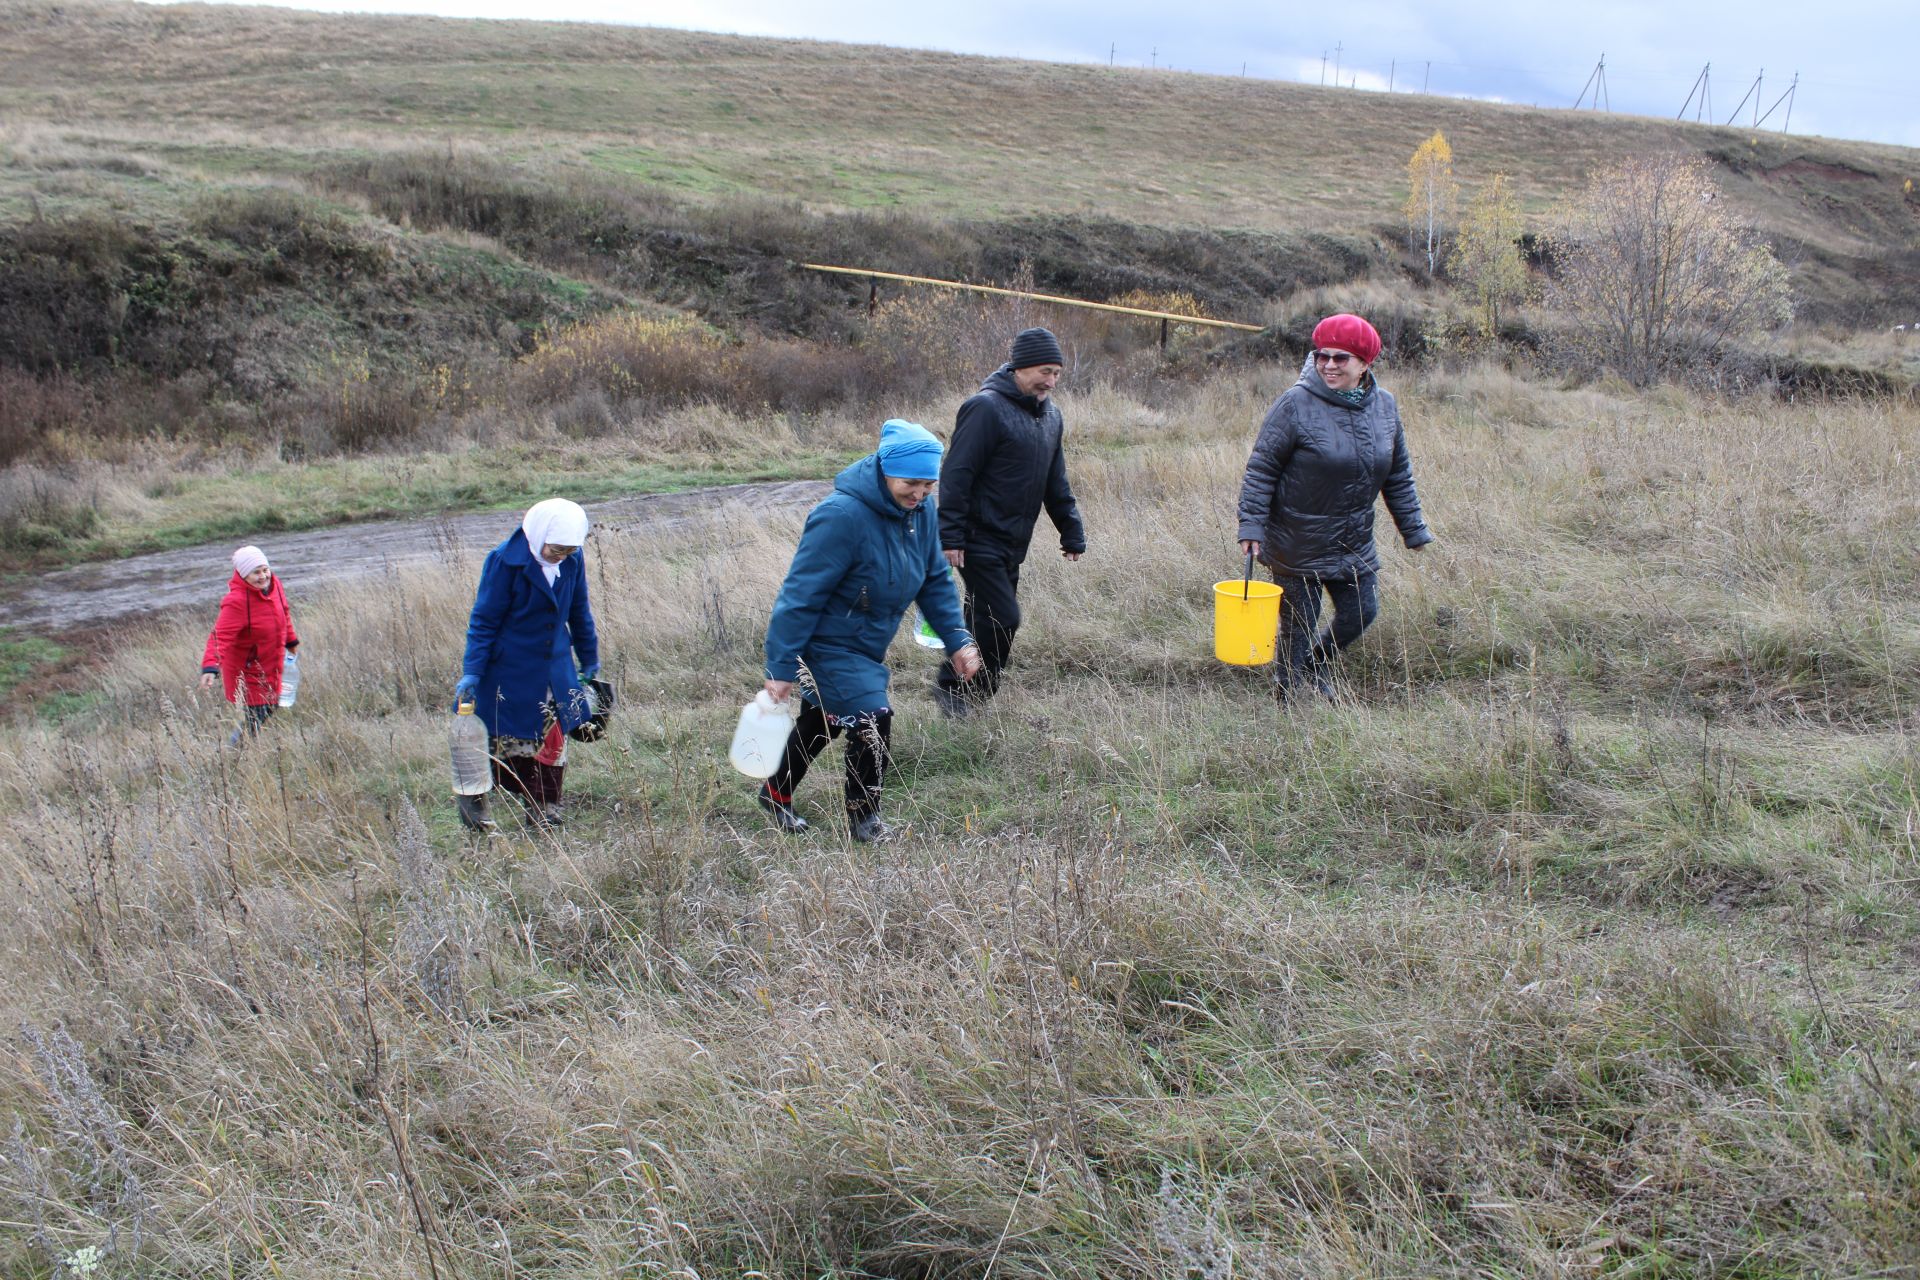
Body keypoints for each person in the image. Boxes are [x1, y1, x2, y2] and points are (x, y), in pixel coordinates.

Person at [760, 419, 983, 843]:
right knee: (871, 717)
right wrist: (781, 665)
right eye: (910, 483)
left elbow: (934, 577)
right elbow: (799, 595)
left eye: (928, 485)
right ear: (885, 469)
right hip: (824, 642)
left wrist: (957, 639)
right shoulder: (841, 516)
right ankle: (866, 820)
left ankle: (774, 793)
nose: (918, 495)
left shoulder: (920, 513)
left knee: (822, 721)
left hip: (866, 643)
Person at [1236, 313, 1433, 699]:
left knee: (1361, 613)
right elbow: (1261, 468)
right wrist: (1251, 525)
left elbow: (1398, 474)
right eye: (1322, 355)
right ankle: (1289, 697)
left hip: (1353, 539)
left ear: (1364, 363)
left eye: (1340, 358)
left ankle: (1316, 666)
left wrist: (1413, 529)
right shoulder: (1294, 404)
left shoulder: (1385, 407)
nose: (1328, 364)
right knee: (1298, 628)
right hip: (1298, 539)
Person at [933, 326, 1087, 716]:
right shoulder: (984, 407)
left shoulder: (1051, 416)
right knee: (1003, 618)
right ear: (1020, 367)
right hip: (976, 536)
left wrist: (1070, 528)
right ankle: (964, 690)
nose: (1050, 381)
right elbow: (957, 473)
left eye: (1057, 373)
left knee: (982, 618)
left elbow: (1056, 480)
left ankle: (961, 690)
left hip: (1013, 541)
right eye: (1044, 371)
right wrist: (949, 534)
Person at [456, 498, 600, 830]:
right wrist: (473, 672)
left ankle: (545, 809)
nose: (560, 556)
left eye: (567, 550)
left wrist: (590, 658)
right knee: (502, 741)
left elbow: (580, 613)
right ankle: (476, 807)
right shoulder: (504, 563)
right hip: (510, 669)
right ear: (538, 534)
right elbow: (483, 622)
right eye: (556, 549)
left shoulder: (573, 563)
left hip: (555, 668)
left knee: (554, 737)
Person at [200, 544, 300, 745]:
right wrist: (210, 667)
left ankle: (240, 747)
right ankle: (234, 749)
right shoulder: (236, 601)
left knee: (271, 705)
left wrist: (291, 640)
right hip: (248, 669)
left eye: (265, 570)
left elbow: (284, 613)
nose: (263, 576)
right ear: (244, 575)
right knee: (258, 712)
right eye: (256, 572)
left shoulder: (275, 586)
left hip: (272, 662)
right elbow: (220, 636)